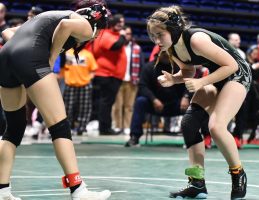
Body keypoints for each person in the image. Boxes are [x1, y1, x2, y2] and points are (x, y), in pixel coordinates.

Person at [0, 1, 111, 200]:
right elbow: (65, 27)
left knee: (13, 130)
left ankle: (2, 191)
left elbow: (7, 32)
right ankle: (78, 189)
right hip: (32, 59)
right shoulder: (86, 25)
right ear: (98, 24)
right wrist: (50, 58)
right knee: (59, 127)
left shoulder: (48, 16)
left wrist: (21, 57)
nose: (94, 37)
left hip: (5, 58)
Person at [147, 5, 250, 199]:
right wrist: (174, 79)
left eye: (160, 35)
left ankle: (238, 173)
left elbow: (232, 65)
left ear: (174, 30)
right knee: (189, 124)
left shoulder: (196, 39)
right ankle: (197, 183)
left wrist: (202, 82)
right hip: (217, 76)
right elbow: (188, 71)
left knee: (217, 127)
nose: (157, 41)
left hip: (238, 75)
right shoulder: (173, 47)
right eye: (153, 36)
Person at [125, 51, 189, 147]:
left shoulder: (178, 68)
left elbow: (188, 83)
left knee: (193, 104)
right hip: (155, 105)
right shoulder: (149, 67)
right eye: (164, 54)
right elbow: (142, 86)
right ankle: (134, 137)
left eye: (169, 54)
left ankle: (190, 139)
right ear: (158, 54)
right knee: (140, 102)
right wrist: (153, 99)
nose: (166, 56)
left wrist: (186, 97)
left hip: (176, 104)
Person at [112, 25, 144, 135]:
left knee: (129, 106)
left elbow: (141, 65)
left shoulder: (137, 48)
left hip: (132, 80)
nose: (127, 36)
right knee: (117, 105)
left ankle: (127, 126)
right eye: (125, 34)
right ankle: (117, 126)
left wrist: (139, 77)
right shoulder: (117, 47)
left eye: (129, 34)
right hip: (118, 80)